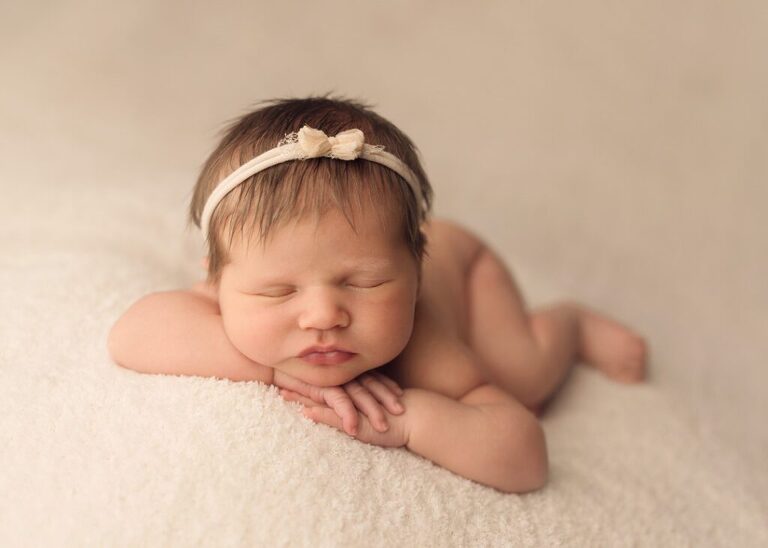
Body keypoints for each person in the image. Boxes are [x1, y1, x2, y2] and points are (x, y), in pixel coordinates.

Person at [108, 94, 648, 493]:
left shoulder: (426, 349)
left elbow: (526, 457)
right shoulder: (223, 297)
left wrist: (411, 418)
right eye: (278, 292)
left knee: (522, 375)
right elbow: (131, 335)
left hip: (468, 270)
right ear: (216, 280)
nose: (323, 315)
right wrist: (277, 370)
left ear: (415, 277)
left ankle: (570, 324)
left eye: (365, 283)